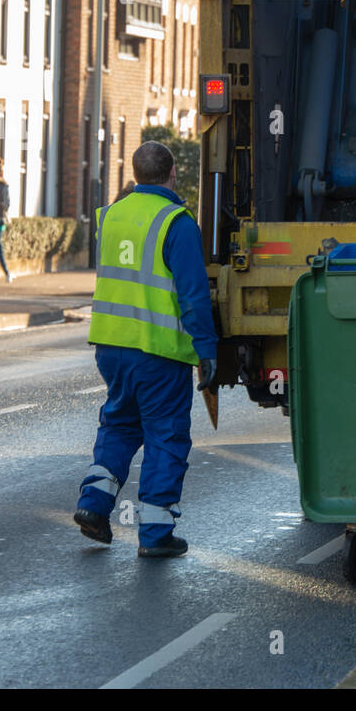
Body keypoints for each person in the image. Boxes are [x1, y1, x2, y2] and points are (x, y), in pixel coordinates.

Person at [74, 140, 219, 558]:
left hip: (111, 347)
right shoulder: (178, 222)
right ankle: (155, 535)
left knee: (119, 425)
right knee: (165, 435)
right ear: (173, 174)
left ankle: (93, 505)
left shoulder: (110, 217)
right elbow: (193, 296)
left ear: (136, 175)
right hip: (158, 352)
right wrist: (206, 350)